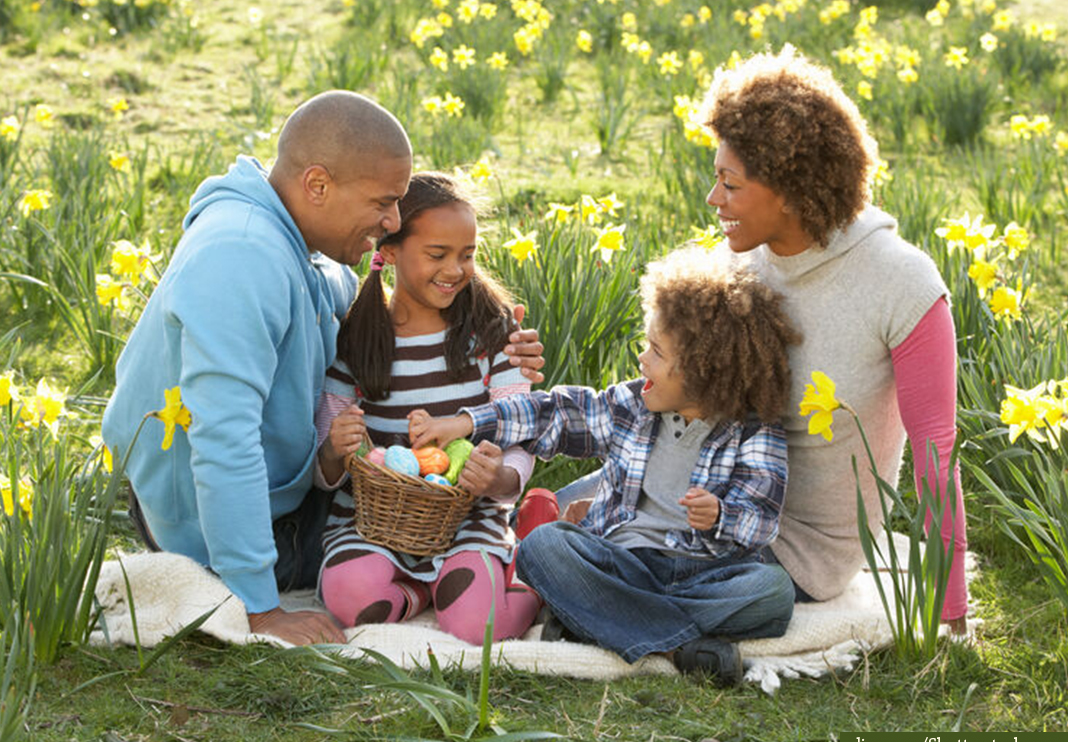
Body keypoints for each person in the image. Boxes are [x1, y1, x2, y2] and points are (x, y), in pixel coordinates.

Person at [102, 92, 545, 646]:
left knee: (424, 532)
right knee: (363, 577)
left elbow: (367, 301)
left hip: (281, 495)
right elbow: (223, 442)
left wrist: (494, 330)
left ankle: (500, 547)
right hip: (210, 524)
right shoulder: (239, 257)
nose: (390, 223)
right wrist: (261, 610)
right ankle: (512, 552)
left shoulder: (299, 242)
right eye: (383, 203)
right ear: (317, 185)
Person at [410, 246, 802, 686]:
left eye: (656, 351)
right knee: (543, 546)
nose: (642, 360)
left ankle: (595, 618)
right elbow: (551, 413)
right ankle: (679, 647)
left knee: (772, 592)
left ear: (704, 372)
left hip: (703, 572)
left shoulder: (756, 432)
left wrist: (720, 515)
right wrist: (465, 422)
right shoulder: (632, 406)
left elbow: (762, 521)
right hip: (621, 560)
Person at [699, 46, 968, 630]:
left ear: (791, 191)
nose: (713, 200)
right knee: (563, 524)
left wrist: (950, 615)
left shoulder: (901, 281)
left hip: (798, 553)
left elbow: (935, 451)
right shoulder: (741, 261)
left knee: (579, 552)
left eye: (730, 184)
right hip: (708, 505)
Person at [316, 171, 542, 645]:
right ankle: (424, 591)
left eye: (467, 255)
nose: (455, 270)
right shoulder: (357, 339)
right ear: (391, 251)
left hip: (468, 516)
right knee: (348, 596)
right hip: (376, 521)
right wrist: (336, 450)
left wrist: (498, 478)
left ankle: (534, 569)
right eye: (437, 255)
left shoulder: (492, 335)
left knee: (476, 626)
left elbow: (521, 433)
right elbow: (326, 457)